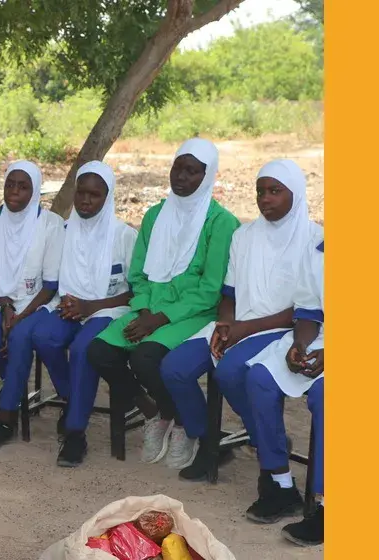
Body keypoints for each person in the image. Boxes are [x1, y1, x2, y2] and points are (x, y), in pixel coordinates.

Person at [161, 159, 322, 477]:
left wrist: (242, 329)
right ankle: (210, 440)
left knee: (229, 372)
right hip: (241, 322)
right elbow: (230, 295)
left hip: (282, 329)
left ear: (297, 194)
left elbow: (306, 310)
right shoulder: (244, 235)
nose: (265, 199)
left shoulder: (314, 240)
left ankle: (267, 441)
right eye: (260, 191)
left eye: (275, 191)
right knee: (174, 368)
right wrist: (225, 324)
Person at [87, 138, 240, 464]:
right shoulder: (156, 216)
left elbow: (211, 289)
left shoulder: (221, 223)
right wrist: (144, 310)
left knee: (145, 356)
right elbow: (138, 275)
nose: (181, 178)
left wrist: (158, 318)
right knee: (99, 352)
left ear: (208, 175)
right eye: (177, 168)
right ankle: (162, 410)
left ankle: (186, 423)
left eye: (192, 171)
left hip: (193, 314)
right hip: (147, 308)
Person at [31, 161, 138, 466]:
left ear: (109, 196)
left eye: (95, 194)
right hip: (69, 306)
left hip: (109, 310)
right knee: (44, 337)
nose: (86, 201)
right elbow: (52, 275)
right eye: (81, 193)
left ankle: (76, 433)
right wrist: (70, 303)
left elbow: (136, 291)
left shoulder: (123, 236)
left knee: (83, 350)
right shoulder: (64, 232)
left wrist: (91, 306)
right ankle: (74, 399)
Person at [242, 182, 325, 546]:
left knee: (327, 397)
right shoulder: (320, 249)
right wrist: (300, 343)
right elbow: (309, 309)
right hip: (322, 337)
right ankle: (281, 485)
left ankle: (328, 504)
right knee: (259, 377)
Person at [0, 160, 64, 450]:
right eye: (10, 185)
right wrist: (6, 310)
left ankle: (5, 414)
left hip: (38, 304)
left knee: (18, 339)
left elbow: (51, 285)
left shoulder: (50, 225)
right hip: (2, 302)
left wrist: (20, 315)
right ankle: (14, 387)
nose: (14, 192)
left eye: (23, 186)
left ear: (36, 190)